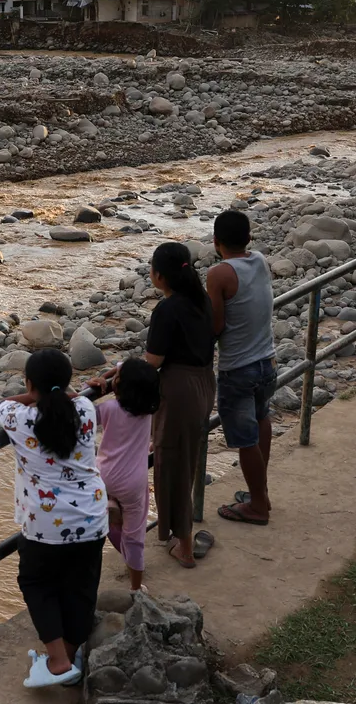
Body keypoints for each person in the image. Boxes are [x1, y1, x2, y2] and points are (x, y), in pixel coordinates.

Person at [0, 349, 107, 689]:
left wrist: (30, 394)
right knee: (81, 587)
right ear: (68, 383)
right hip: (91, 518)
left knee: (37, 584)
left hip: (44, 526)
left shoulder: (18, 416)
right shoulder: (86, 409)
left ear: (30, 385)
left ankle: (57, 661)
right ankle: (70, 656)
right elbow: (67, 398)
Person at [142, 242, 216, 567]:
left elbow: (153, 361)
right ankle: (182, 535)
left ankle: (184, 546)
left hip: (179, 390)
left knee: (172, 464)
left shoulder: (167, 310)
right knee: (186, 460)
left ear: (159, 276)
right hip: (203, 384)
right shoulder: (201, 300)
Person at [207, 210, 277, 527]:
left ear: (216, 242)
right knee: (262, 420)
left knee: (245, 439)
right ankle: (259, 493)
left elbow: (217, 325)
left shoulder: (219, 274)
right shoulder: (260, 260)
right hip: (267, 362)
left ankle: (258, 506)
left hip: (238, 368)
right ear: (249, 238)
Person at [86, 358, 158, 591]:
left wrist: (101, 382)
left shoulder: (107, 409)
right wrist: (114, 378)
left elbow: (82, 416)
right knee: (135, 534)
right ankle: (137, 588)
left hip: (103, 475)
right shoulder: (147, 413)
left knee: (101, 522)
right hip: (133, 482)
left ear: (120, 385)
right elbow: (125, 368)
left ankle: (110, 506)